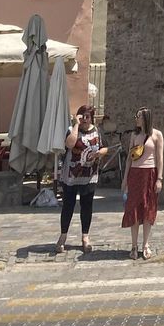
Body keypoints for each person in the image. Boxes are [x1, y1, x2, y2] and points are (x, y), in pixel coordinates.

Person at [55, 105, 108, 254]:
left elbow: (105, 148)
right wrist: (76, 125)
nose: (85, 119)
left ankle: (85, 237)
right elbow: (70, 144)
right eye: (82, 116)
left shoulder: (97, 131)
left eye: (87, 116)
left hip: (89, 175)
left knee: (86, 206)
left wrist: (98, 154)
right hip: (71, 175)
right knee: (68, 206)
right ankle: (63, 236)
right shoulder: (72, 130)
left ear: (91, 117)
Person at [121, 107, 164, 259]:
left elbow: (159, 159)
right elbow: (129, 159)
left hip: (150, 174)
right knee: (133, 208)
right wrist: (125, 179)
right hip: (135, 174)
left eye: (138, 116)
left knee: (148, 209)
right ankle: (134, 245)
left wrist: (159, 178)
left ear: (145, 118)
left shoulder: (157, 135)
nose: (136, 119)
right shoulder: (134, 135)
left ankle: (146, 244)